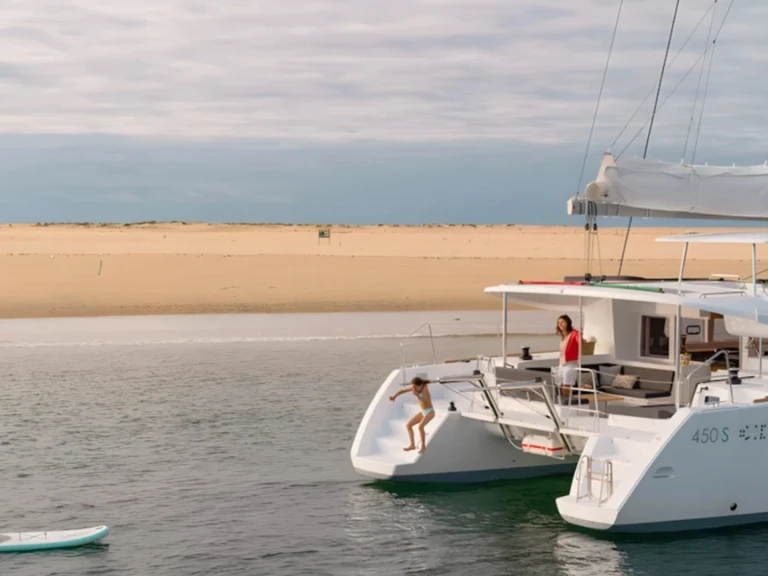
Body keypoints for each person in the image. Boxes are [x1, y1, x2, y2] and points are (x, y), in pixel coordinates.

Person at [389, 376, 435, 454]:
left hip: (430, 412)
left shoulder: (425, 389)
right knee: (408, 425)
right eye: (413, 387)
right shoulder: (415, 388)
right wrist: (394, 396)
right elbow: (402, 391)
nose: (413, 389)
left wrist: (417, 395)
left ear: (420, 385)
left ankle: (423, 446)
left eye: (415, 387)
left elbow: (425, 400)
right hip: (423, 412)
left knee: (420, 427)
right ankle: (412, 445)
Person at [556, 314, 580, 394]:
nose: (560, 324)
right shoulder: (563, 335)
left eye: (562, 322)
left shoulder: (574, 333)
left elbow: (580, 342)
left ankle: (568, 401)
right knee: (560, 386)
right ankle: (563, 401)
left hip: (570, 364)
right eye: (559, 323)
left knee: (566, 386)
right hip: (561, 364)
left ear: (568, 322)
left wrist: (580, 336)